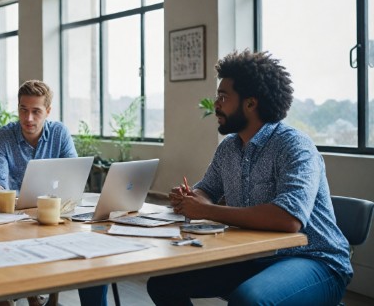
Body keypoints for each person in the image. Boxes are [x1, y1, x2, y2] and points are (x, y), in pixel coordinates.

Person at [147, 50, 352, 305]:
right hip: (255, 257)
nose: (216, 105)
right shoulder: (229, 147)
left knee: (249, 300)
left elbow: (289, 219)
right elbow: (206, 190)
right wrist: (191, 198)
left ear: (251, 103)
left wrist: (207, 211)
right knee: (162, 284)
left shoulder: (295, 146)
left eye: (223, 97)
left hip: (315, 260)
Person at [0, 80, 108, 306]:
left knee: (95, 257)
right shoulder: (4, 136)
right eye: (23, 110)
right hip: (13, 220)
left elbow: (74, 174)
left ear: (47, 111)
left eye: (36, 111)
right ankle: (26, 295)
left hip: (55, 217)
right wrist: (2, 193)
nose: (28, 118)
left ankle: (45, 295)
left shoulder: (59, 133)